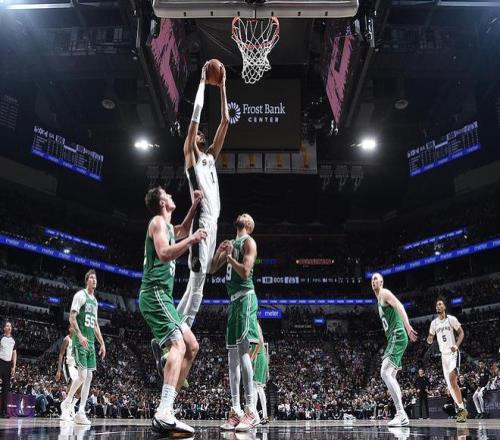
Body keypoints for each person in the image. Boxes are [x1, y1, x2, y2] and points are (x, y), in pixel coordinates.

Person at [139, 186, 207, 436]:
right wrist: (192, 240)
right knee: (178, 345)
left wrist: (194, 206)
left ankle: (167, 409)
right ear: (162, 203)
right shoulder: (157, 222)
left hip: (164, 297)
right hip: (154, 293)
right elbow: (164, 253)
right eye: (166, 194)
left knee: (192, 346)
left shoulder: (167, 227)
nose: (171, 196)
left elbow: (182, 229)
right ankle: (163, 412)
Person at [176, 60, 229, 329]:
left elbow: (225, 121)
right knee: (198, 283)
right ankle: (181, 332)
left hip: (213, 223)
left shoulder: (209, 157)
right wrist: (201, 84)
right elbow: (195, 118)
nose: (200, 135)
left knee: (197, 282)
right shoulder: (191, 155)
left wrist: (223, 87)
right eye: (196, 135)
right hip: (202, 223)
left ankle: (170, 329)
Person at [211, 213, 260, 431]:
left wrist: (230, 257)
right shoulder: (231, 243)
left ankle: (251, 410)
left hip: (246, 298)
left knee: (243, 352)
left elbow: (246, 271)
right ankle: (236, 410)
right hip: (232, 302)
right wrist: (219, 251)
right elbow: (212, 268)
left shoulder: (249, 242)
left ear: (249, 224)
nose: (242, 215)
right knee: (232, 359)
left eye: (246, 215)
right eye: (241, 214)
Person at [60, 270, 106, 425]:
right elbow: (72, 317)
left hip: (91, 342)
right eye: (91, 277)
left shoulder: (95, 301)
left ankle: (80, 411)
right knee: (82, 375)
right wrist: (79, 335)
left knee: (89, 377)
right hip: (80, 341)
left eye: (95, 278)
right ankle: (67, 402)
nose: (94, 280)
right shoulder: (80, 295)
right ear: (87, 281)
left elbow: (95, 324)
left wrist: (102, 342)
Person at [371, 273, 417, 426]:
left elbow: (400, 306)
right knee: (390, 376)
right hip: (393, 337)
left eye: (376, 278)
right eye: (372, 279)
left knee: (384, 372)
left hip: (397, 334)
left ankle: (401, 414)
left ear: (382, 282)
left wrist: (408, 326)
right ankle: (400, 414)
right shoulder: (378, 301)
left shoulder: (384, 293)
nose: (373, 280)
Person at [427, 297, 467, 422]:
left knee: (452, 379)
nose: (438, 306)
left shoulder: (451, 319)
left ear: (444, 307)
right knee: (450, 387)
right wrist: (429, 339)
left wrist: (457, 345)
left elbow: (461, 333)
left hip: (453, 353)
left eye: (440, 304)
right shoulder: (434, 323)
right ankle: (461, 409)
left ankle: (462, 410)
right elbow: (430, 337)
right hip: (443, 356)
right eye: (436, 305)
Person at [56, 325, 81, 420]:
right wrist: (58, 370)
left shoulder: (78, 340)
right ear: (69, 329)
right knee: (71, 384)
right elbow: (61, 354)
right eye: (72, 327)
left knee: (80, 390)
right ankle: (64, 411)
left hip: (76, 366)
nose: (74, 329)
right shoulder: (66, 339)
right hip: (67, 365)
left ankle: (71, 406)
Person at [252, 322, 269, 425]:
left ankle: (256, 416)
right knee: (258, 388)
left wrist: (252, 357)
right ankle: (263, 416)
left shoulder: (254, 325)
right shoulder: (255, 325)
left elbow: (260, 342)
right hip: (261, 356)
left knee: (256, 387)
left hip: (258, 357)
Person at [0, 321, 16, 418]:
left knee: (6, 389)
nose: (9, 327)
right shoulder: (1, 338)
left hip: (8, 365)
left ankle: (3, 411)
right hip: (0, 362)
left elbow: (14, 353)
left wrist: (14, 366)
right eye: (7, 326)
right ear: (4, 328)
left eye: (10, 326)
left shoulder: (13, 340)